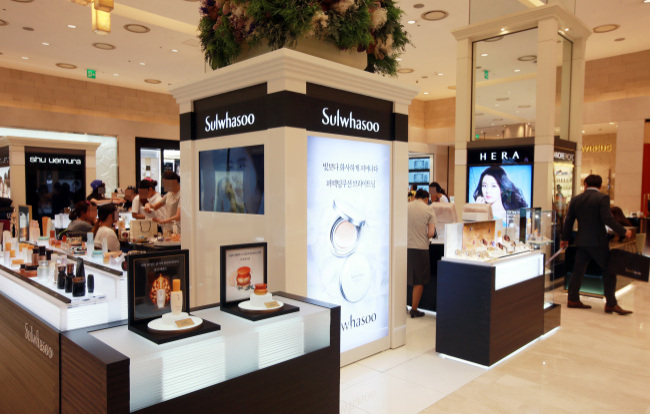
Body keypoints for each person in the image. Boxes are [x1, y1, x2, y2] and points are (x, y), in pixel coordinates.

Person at [560, 174, 633, 315]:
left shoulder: (576, 199)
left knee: (578, 271)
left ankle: (573, 299)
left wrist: (565, 238)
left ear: (585, 184)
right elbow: (607, 219)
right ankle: (611, 304)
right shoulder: (602, 198)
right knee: (609, 270)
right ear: (600, 186)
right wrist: (623, 231)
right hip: (598, 242)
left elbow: (569, 220)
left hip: (581, 241)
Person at [407, 189, 436, 318]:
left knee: (404, 278)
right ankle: (414, 309)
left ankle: (401, 306)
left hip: (404, 247)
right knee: (419, 280)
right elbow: (430, 233)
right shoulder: (428, 209)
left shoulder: (405, 206)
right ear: (426, 199)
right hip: (420, 248)